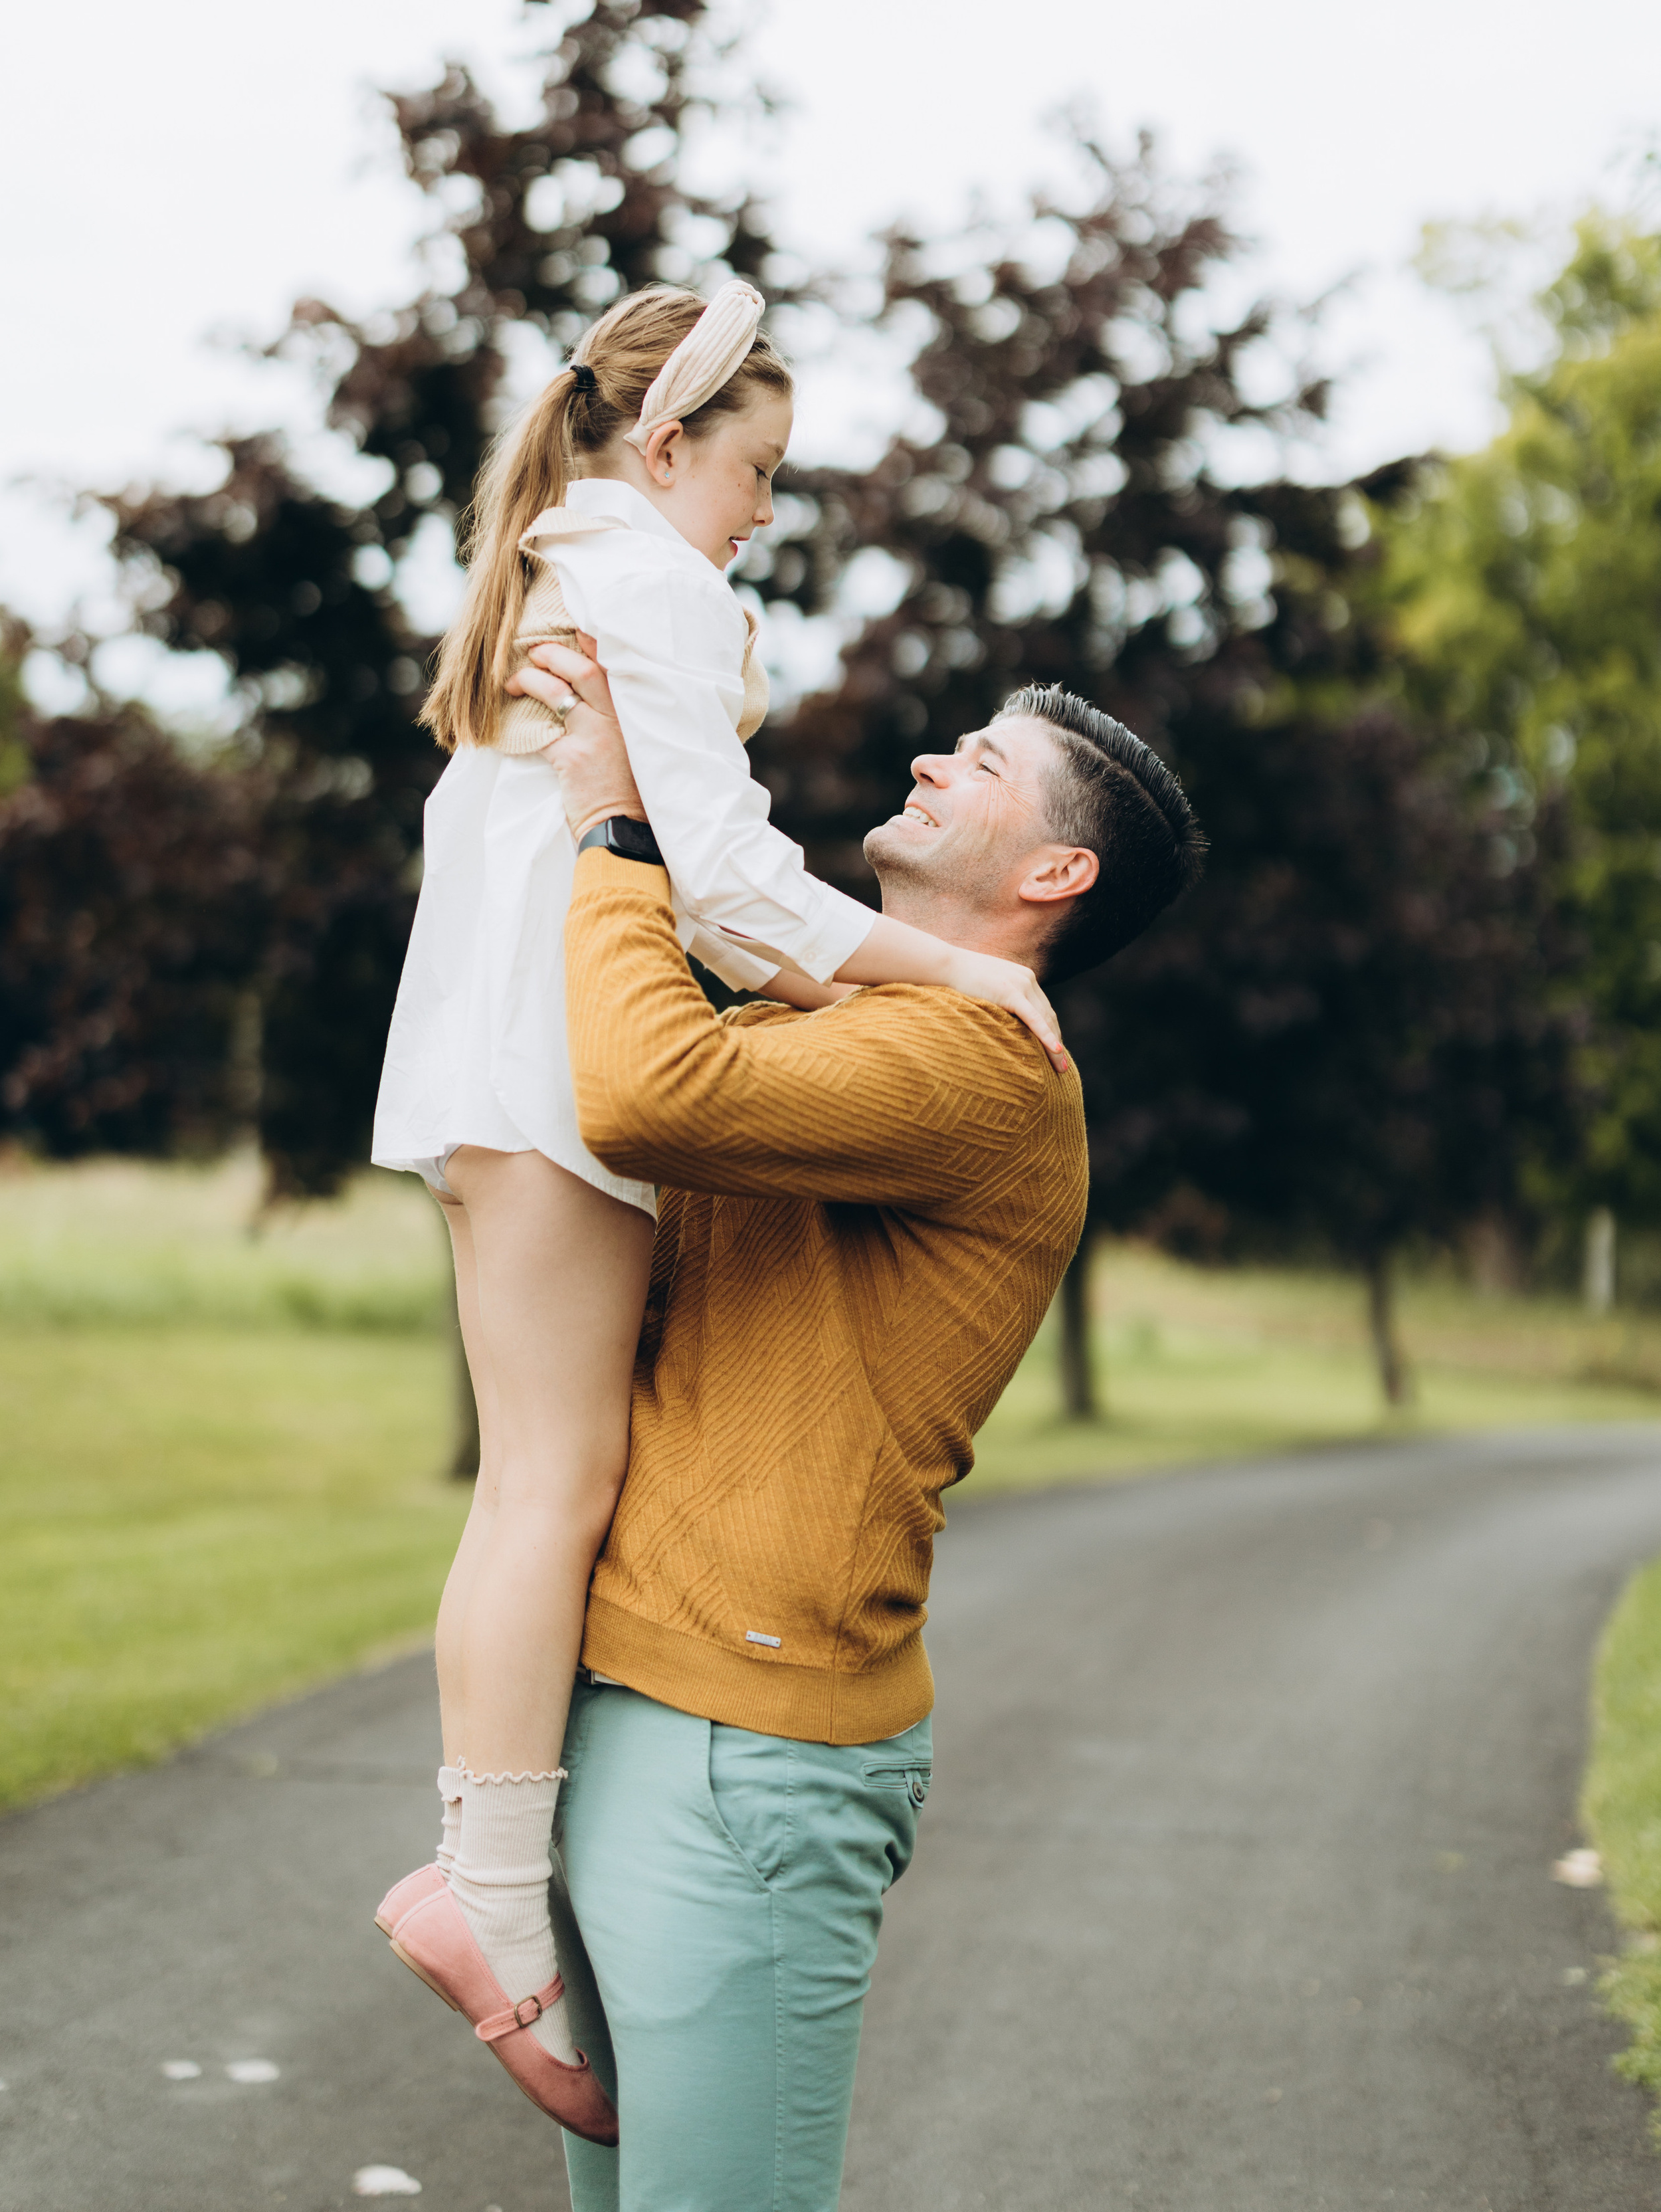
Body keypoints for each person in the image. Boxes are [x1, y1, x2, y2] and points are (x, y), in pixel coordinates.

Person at [367, 282, 1068, 2148]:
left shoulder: (561, 569)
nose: (767, 509)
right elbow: (734, 883)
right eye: (756, 470)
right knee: (549, 1481)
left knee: (538, 1467)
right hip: (553, 1078)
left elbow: (696, 878)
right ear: (664, 445)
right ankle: (488, 1893)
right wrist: (952, 979)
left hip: (489, 1074)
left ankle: (493, 1880)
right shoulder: (651, 588)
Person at [501, 641, 1205, 2209]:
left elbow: (643, 1089)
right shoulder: (853, 1016)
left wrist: (619, 828)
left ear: (1054, 867)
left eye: (986, 764)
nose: (935, 760)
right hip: (636, 1703)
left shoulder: (976, 1064)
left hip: (746, 1752)